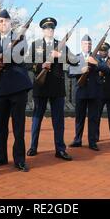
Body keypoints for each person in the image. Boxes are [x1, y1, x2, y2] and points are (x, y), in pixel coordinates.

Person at [0, 9, 32, 172]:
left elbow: (19, 55)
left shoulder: (21, 39)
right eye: (0, 21)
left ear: (10, 23)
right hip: (0, 89)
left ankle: (19, 159)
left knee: (18, 126)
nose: (3, 23)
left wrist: (4, 57)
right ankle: (1, 156)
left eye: (5, 20)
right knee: (1, 126)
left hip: (18, 87)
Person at [27, 17, 78, 161]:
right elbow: (27, 64)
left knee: (58, 120)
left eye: (52, 28)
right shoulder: (35, 45)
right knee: (37, 118)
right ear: (43, 30)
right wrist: (41, 66)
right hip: (41, 85)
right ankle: (33, 146)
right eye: (47, 28)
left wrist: (61, 55)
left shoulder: (61, 46)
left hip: (57, 87)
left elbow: (74, 61)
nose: (49, 30)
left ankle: (60, 150)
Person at [68, 35, 106, 151]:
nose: (87, 46)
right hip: (81, 91)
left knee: (93, 118)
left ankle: (92, 141)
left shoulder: (98, 58)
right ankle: (77, 140)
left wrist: (96, 63)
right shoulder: (76, 57)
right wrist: (81, 70)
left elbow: (107, 69)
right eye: (85, 44)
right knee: (79, 117)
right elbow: (70, 72)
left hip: (94, 92)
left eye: (89, 44)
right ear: (81, 44)